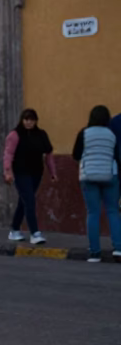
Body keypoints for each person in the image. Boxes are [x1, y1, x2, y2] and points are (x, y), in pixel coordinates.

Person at [72, 104, 121, 263]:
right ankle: (119, 248)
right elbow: (117, 156)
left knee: (93, 213)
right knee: (113, 212)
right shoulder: (112, 134)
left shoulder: (83, 133)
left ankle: (95, 253)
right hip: (110, 175)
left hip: (89, 176)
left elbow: (76, 154)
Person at [2, 109, 57, 244]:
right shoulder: (15, 135)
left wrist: (53, 172)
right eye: (26, 119)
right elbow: (8, 154)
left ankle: (14, 230)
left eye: (31, 119)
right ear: (22, 120)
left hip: (36, 172)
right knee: (30, 200)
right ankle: (35, 233)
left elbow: (48, 154)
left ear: (35, 121)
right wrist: (7, 171)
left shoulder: (41, 135)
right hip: (21, 173)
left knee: (24, 200)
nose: (28, 122)